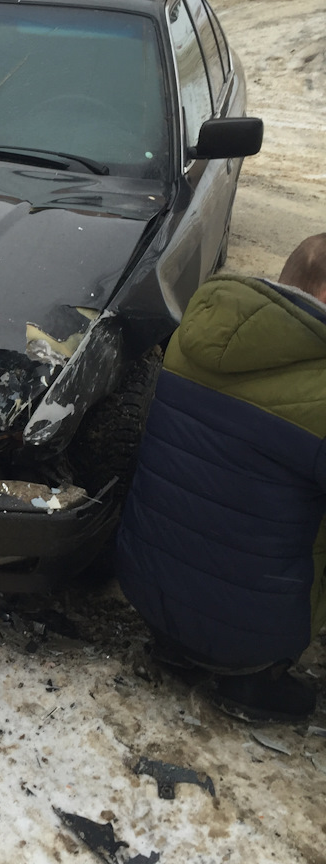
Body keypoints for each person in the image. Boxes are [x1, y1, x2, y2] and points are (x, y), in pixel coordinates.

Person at [116, 234, 326, 723]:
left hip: (146, 585)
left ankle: (177, 645)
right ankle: (255, 679)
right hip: (248, 632)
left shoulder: (199, 333)